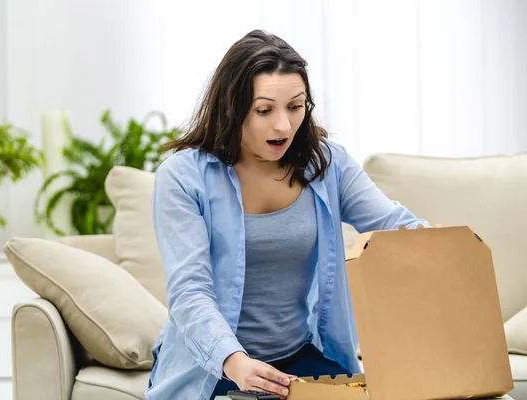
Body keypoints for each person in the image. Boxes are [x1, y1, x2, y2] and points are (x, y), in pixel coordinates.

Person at [145, 30, 430, 400]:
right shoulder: (183, 177)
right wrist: (234, 360)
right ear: (232, 108)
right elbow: (190, 291)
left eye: (295, 107)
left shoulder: (328, 165)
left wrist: (440, 242)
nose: (283, 126)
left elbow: (394, 225)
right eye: (264, 110)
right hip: (214, 366)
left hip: (297, 357)